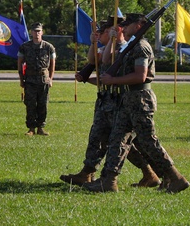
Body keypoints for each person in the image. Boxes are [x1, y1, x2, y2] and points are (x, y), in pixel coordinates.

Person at [85, 13, 189, 194]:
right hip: (127, 99)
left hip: (140, 99)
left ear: (139, 26)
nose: (123, 27)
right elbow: (106, 60)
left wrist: (112, 81)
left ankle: (175, 177)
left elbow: (140, 76)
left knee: (148, 141)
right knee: (117, 140)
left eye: (128, 25)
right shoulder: (131, 46)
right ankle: (109, 180)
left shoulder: (142, 47)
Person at [60, 17, 160, 187]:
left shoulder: (126, 48)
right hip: (107, 100)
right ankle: (89, 172)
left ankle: (152, 173)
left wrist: (112, 41)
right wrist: (93, 44)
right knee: (101, 138)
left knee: (126, 143)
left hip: (120, 101)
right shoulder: (112, 47)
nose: (102, 34)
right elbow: (94, 61)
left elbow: (107, 62)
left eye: (106, 31)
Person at [18, 22, 57, 136]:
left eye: (39, 31)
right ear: (31, 32)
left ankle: (40, 127)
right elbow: (20, 63)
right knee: (30, 104)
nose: (37, 33)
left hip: (43, 79)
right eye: (35, 31)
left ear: (42, 32)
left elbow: (52, 64)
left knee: (43, 104)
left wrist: (51, 79)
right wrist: (21, 79)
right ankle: (31, 128)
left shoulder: (48, 47)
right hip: (29, 80)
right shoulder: (25, 47)